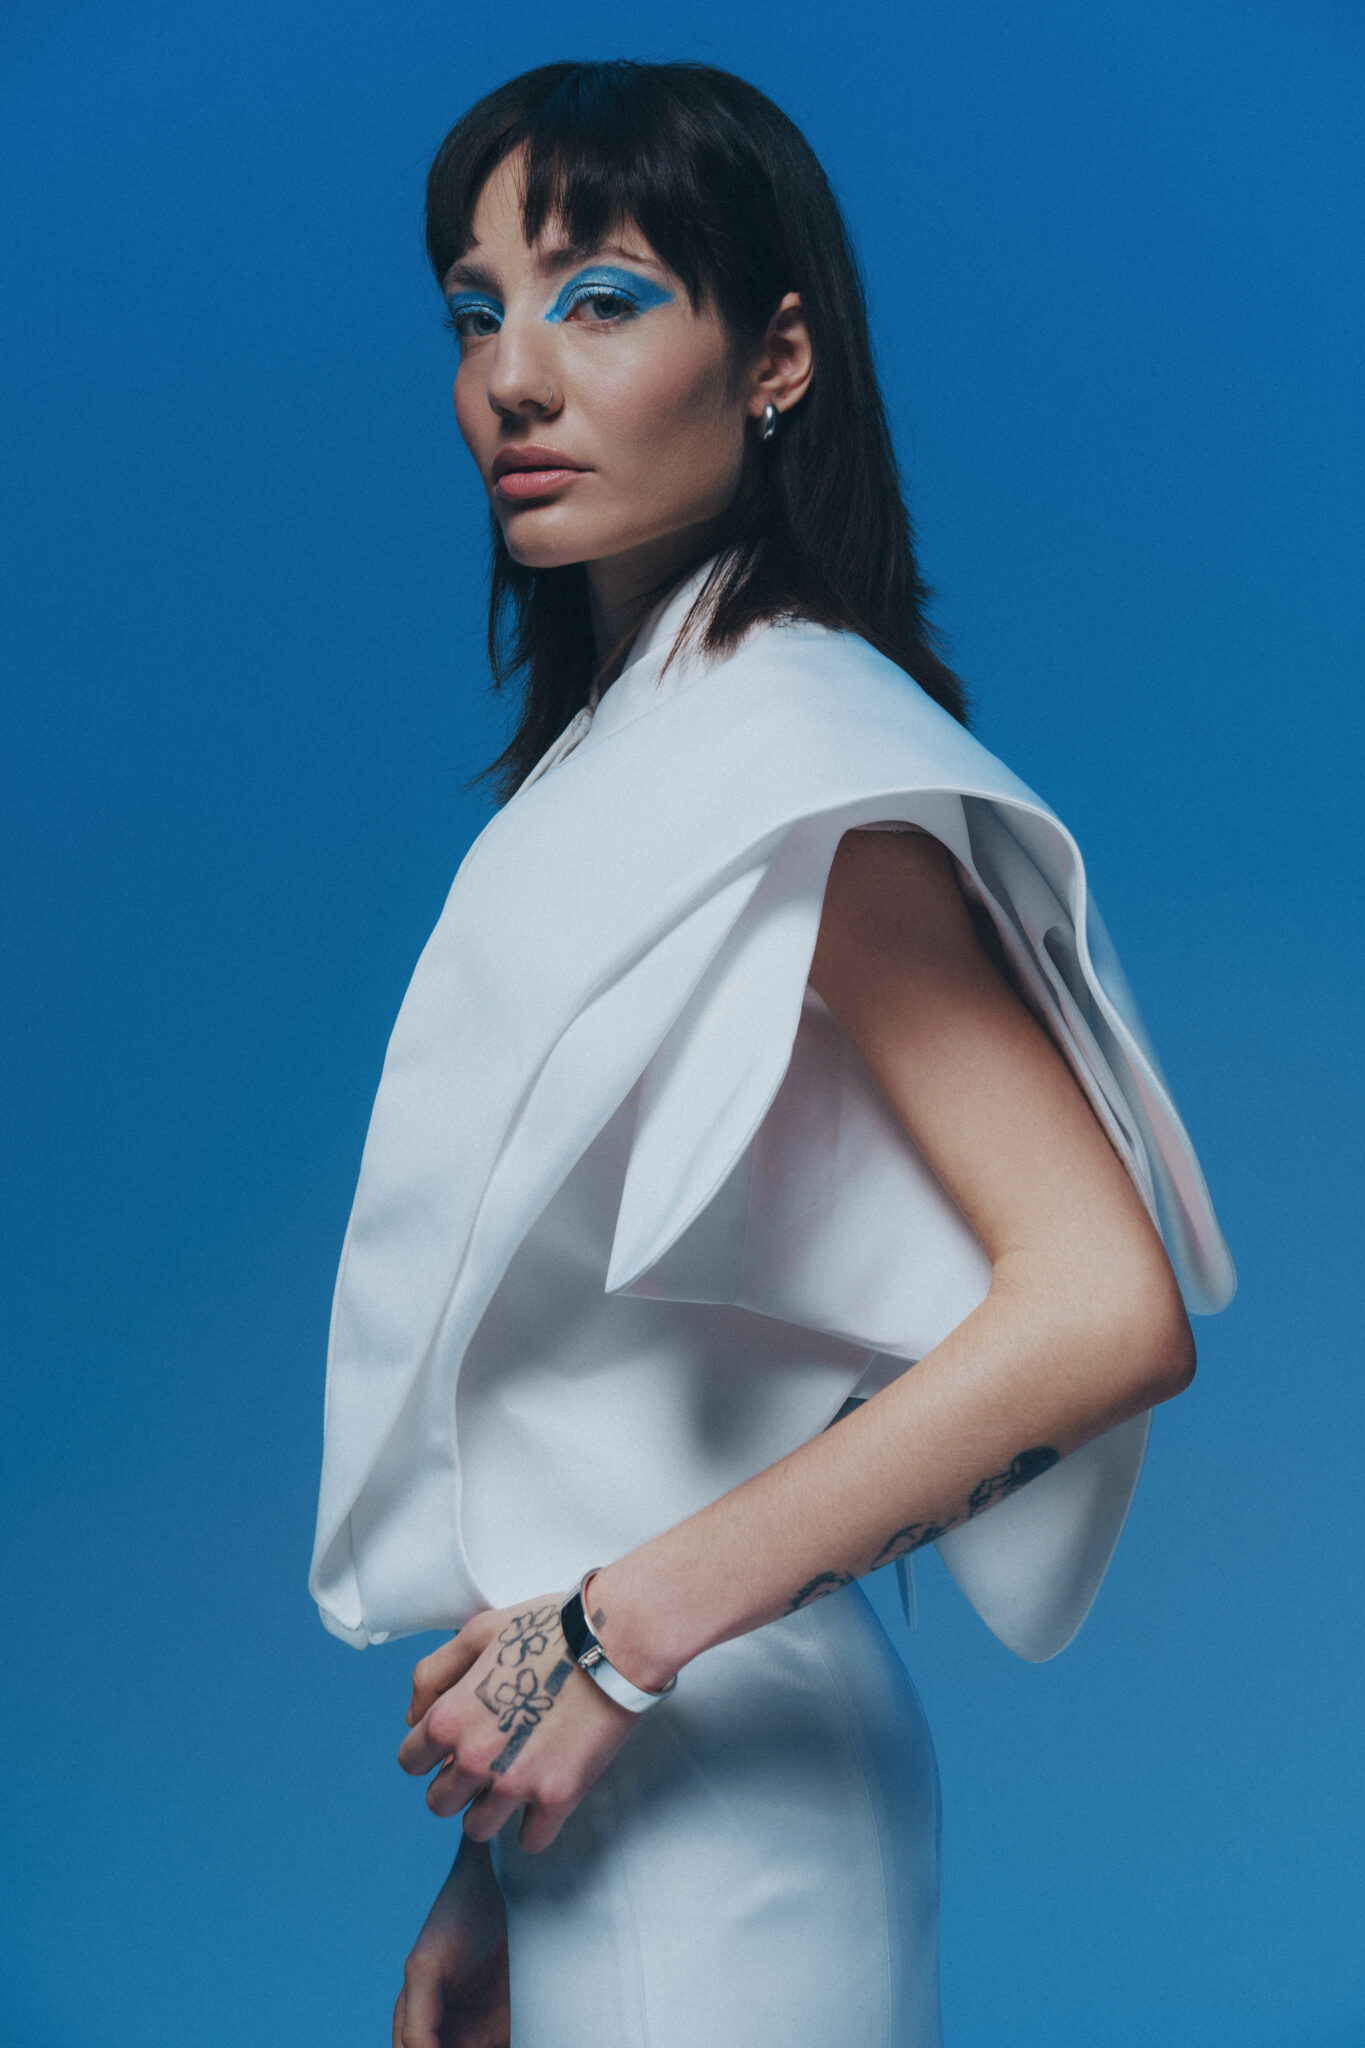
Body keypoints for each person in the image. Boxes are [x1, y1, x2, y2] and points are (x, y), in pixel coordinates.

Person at [307, 59, 1235, 2048]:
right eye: (476, 313)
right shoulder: (634, 759)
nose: (512, 379)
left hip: (710, 1774)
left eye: (601, 299)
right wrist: (493, 1852)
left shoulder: (801, 765)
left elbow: (1103, 1309)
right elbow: (592, 1391)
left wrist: (606, 1643)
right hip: (613, 1784)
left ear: (776, 357)